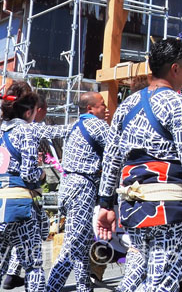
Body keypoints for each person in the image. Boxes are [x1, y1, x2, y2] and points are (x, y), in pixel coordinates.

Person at [96, 38, 182, 291]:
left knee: (134, 281)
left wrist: (105, 204)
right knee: (162, 284)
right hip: (168, 209)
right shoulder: (179, 104)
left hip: (132, 208)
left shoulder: (126, 107)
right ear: (175, 68)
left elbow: (111, 159)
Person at [0, 82, 67, 292]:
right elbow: (28, 173)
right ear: (29, 111)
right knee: (33, 266)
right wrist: (42, 174)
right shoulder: (26, 132)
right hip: (20, 209)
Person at [45, 92, 109, 292]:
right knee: (73, 246)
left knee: (81, 243)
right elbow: (117, 150)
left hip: (68, 186)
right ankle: (50, 289)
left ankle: (84, 288)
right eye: (102, 105)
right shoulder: (98, 126)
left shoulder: (75, 125)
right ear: (90, 109)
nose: (106, 108)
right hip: (83, 187)